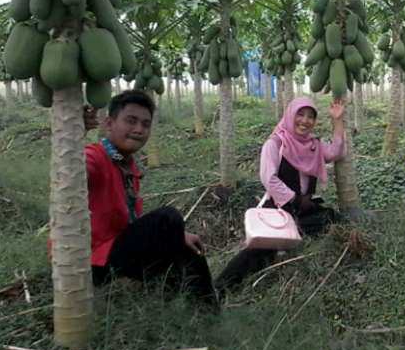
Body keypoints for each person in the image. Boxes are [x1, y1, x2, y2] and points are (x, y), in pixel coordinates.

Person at [77, 90, 218, 305]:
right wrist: (74, 135)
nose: (139, 130)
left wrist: (177, 236)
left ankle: (207, 314)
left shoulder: (125, 163)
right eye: (131, 121)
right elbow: (71, 175)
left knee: (189, 249)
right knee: (168, 218)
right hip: (92, 260)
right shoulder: (95, 155)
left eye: (145, 124)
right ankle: (170, 299)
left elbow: (130, 220)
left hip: (115, 248)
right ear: (109, 123)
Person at [214, 96, 345, 294]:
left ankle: (290, 238)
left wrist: (337, 120)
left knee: (331, 217)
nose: (305, 121)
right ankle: (218, 288)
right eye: (300, 115)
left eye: (310, 116)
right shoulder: (275, 143)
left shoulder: (313, 145)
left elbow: (336, 152)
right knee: (259, 250)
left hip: (301, 210)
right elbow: (268, 178)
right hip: (279, 210)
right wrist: (294, 198)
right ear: (290, 115)